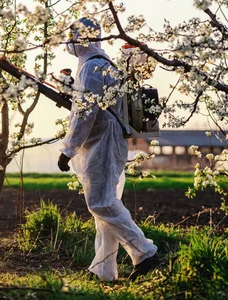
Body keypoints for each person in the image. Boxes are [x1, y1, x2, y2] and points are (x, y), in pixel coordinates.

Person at [58, 17, 159, 281]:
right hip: (104, 141)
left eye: (72, 36)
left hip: (102, 142)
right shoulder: (97, 65)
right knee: (105, 204)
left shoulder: (92, 67)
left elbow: (85, 112)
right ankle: (103, 271)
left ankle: (144, 251)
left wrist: (68, 149)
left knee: (101, 203)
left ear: (81, 39)